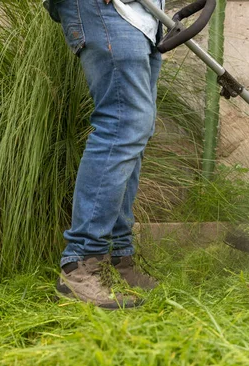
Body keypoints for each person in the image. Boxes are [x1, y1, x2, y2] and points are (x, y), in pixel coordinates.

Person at [44, 0, 164, 309]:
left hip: (143, 16)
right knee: (122, 124)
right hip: (106, 8)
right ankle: (81, 263)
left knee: (135, 129)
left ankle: (118, 258)